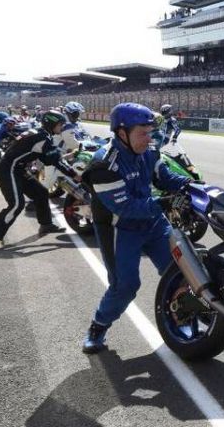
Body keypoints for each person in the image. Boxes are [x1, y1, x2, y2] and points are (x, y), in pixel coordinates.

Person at [80, 103, 193, 354]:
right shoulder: (104, 164)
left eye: (150, 132)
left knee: (180, 273)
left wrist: (191, 185)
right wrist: (164, 203)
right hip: (119, 229)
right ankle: (98, 326)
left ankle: (181, 319)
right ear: (122, 133)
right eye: (143, 133)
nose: (149, 138)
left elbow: (165, 178)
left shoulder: (149, 150)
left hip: (153, 223)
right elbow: (126, 208)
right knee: (125, 286)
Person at [0, 111, 78, 252]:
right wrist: (74, 174)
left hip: (16, 168)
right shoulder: (42, 138)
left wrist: (62, 157)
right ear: (51, 124)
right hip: (7, 170)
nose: (61, 127)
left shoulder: (38, 133)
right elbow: (55, 160)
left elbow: (47, 158)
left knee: (41, 192)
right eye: (60, 124)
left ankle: (46, 224)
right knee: (16, 205)